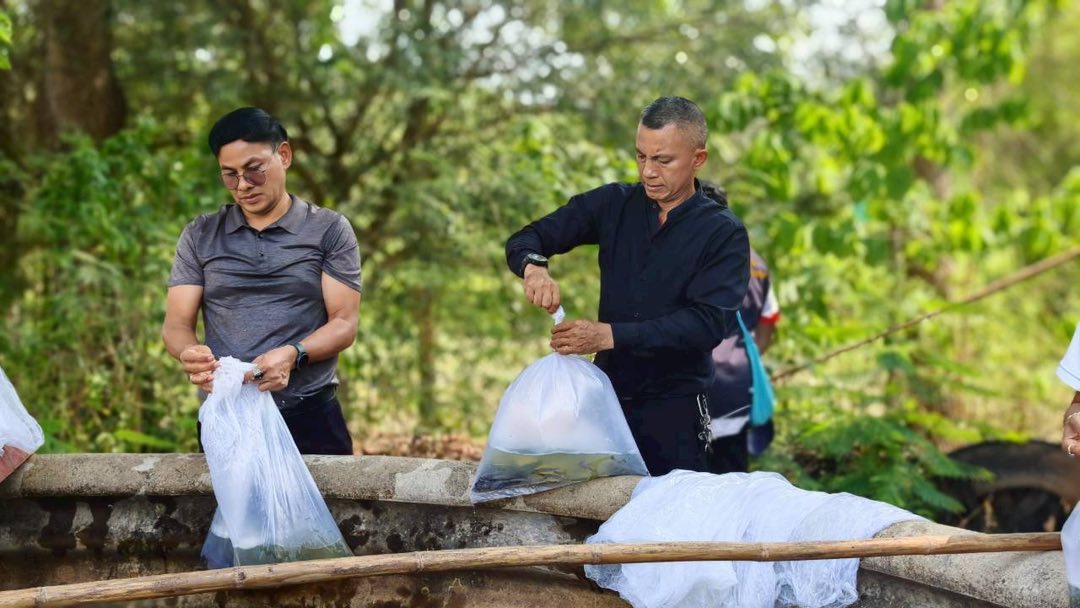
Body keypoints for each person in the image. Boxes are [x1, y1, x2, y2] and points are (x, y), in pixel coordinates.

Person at [505, 97, 750, 475]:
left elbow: (706, 324)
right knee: (596, 516)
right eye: (641, 157)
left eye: (663, 160)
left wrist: (608, 336)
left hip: (676, 410)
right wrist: (534, 268)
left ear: (698, 159)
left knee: (671, 523)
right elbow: (529, 237)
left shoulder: (723, 232)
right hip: (606, 404)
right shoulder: (614, 204)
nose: (648, 172)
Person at [162, 107, 362, 455]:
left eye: (254, 170)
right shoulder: (201, 235)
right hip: (229, 418)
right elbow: (177, 324)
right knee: (233, 512)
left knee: (328, 510)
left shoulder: (329, 229)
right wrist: (188, 353)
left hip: (311, 413)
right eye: (230, 175)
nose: (242, 186)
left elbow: (344, 322)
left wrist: (293, 354)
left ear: (283, 155)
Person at [699, 183, 780, 474]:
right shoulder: (755, 260)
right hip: (736, 386)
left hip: (693, 388)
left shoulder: (688, 255)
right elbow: (768, 323)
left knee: (686, 484)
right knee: (733, 480)